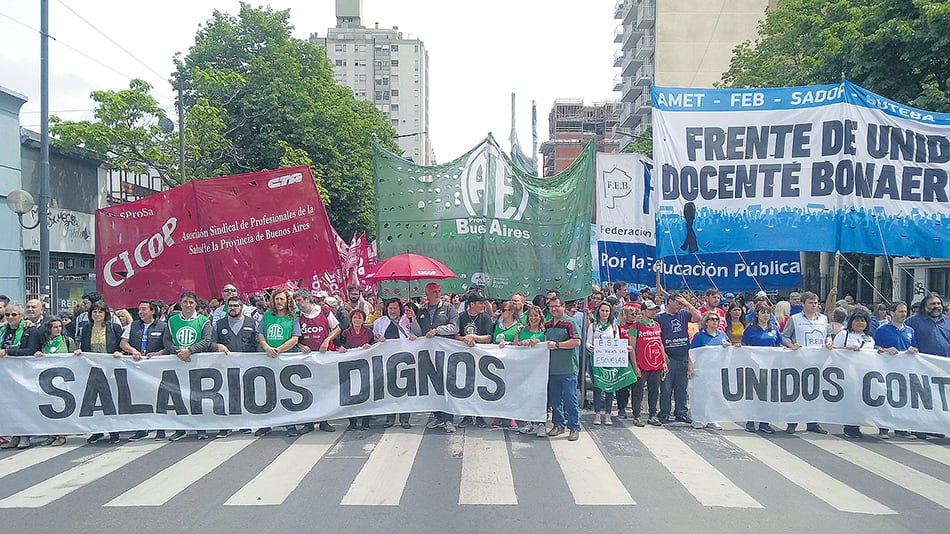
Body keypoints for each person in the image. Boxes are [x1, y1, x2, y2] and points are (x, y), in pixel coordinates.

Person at [163, 291, 213, 441]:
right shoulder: (172, 320)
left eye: (191, 302)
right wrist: (178, 352)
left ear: (195, 304)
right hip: (178, 363)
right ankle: (181, 428)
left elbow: (207, 340)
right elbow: (167, 341)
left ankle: (200, 428)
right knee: (178, 397)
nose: (188, 305)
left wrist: (190, 351)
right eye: (185, 302)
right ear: (180, 303)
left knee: (197, 396)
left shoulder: (204, 321)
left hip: (196, 363)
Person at [781, 291, 832, 434]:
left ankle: (813, 422)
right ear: (803, 304)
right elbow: (785, 337)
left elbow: (827, 336)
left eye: (816, 303)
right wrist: (791, 345)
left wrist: (829, 342)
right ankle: (792, 422)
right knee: (796, 392)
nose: (814, 305)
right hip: (799, 361)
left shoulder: (823, 319)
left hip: (818, 362)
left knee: (814, 393)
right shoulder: (795, 319)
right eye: (810, 302)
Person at [117, 300, 169, 440]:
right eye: (139, 309)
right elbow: (123, 343)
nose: (140, 312)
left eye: (144, 309)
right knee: (139, 397)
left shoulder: (163, 326)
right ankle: (141, 428)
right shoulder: (133, 326)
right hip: (137, 367)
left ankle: (160, 428)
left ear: (152, 311)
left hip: (156, 367)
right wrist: (133, 351)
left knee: (158, 398)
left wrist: (158, 354)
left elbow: (168, 346)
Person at [255, 289, 302, 437]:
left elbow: (295, 338)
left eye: (282, 299)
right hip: (268, 359)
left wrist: (278, 350)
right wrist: (267, 347)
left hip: (286, 359)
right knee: (268, 392)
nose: (279, 302)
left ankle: (290, 424)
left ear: (287, 301)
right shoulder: (267, 315)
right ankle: (266, 424)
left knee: (286, 392)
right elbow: (260, 334)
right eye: (277, 299)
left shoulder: (293, 316)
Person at [78, 302, 125, 444]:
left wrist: (120, 352)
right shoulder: (86, 329)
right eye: (94, 312)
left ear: (105, 314)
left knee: (110, 400)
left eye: (100, 312)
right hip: (93, 369)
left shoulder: (114, 328)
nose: (97, 315)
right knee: (94, 401)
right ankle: (97, 430)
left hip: (110, 369)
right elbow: (84, 347)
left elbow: (122, 344)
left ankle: (114, 431)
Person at [294, 289, 340, 433]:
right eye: (296, 301)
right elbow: (293, 336)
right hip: (306, 358)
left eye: (299, 300)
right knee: (307, 389)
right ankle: (308, 422)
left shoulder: (324, 311)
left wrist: (327, 340)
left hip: (323, 357)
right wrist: (300, 345)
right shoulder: (297, 316)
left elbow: (337, 328)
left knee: (323, 388)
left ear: (307, 299)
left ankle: (324, 421)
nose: (297, 303)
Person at [0, 302, 43, 449]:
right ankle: (14, 434)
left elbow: (31, 350)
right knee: (10, 406)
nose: (10, 317)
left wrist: (7, 352)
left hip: (24, 374)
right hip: (6, 376)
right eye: (8, 315)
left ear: (21, 316)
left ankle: (25, 435)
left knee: (24, 405)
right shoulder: (2, 330)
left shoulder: (29, 330)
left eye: (14, 314)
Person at [418, 282, 460, 433]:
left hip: (445, 353)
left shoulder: (448, 308)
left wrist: (437, 330)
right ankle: (437, 415)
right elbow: (418, 331)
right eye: (434, 291)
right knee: (433, 385)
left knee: (446, 384)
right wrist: (411, 319)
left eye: (439, 291)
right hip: (428, 353)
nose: (438, 293)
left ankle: (448, 419)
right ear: (427, 294)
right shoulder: (422, 310)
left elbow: (455, 327)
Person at [655, 291, 702, 424]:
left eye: (681, 304)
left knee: (681, 388)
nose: (680, 306)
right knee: (666, 387)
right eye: (678, 303)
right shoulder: (660, 317)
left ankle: (681, 412)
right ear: (670, 301)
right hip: (669, 357)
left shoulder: (684, 314)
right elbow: (657, 337)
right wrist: (662, 355)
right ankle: (664, 412)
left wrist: (688, 304)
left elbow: (699, 318)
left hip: (683, 355)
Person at [873, 301, 918, 439]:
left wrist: (913, 350)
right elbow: (874, 348)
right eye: (900, 311)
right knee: (886, 398)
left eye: (905, 312)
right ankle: (883, 428)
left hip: (904, 371)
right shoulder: (882, 330)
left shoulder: (910, 331)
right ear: (892, 313)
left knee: (903, 399)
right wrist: (886, 350)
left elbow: (916, 348)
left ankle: (902, 428)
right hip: (886, 370)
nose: (904, 314)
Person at [832, 306, 875, 439]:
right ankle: (849, 427)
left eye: (863, 320)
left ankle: (856, 425)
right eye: (857, 320)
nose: (860, 323)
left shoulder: (869, 338)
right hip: (847, 372)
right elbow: (833, 351)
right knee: (850, 400)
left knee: (860, 401)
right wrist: (846, 349)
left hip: (864, 374)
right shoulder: (844, 335)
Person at [33, 317, 77, 446]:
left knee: (62, 406)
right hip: (47, 380)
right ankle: (51, 434)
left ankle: (62, 434)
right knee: (49, 406)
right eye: (55, 327)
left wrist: (77, 353)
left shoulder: (68, 341)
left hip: (63, 379)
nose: (58, 329)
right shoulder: (44, 342)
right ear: (49, 329)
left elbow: (75, 356)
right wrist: (38, 354)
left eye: (60, 327)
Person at [543, 297, 582, 441]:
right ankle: (558, 424)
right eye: (551, 307)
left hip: (568, 368)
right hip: (552, 368)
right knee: (555, 399)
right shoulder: (547, 325)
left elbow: (576, 341)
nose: (553, 309)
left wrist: (557, 345)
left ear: (563, 306)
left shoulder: (570, 322)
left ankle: (574, 426)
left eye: (556, 306)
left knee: (570, 399)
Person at [740, 302, 781, 434]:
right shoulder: (750, 329)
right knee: (753, 395)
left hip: (770, 367)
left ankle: (764, 422)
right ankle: (750, 422)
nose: (765, 315)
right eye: (763, 312)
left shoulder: (774, 328)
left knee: (767, 396)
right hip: (754, 367)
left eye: (768, 313)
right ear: (757, 314)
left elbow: (779, 343)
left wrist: (791, 346)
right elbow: (744, 345)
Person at [373, 298, 414, 428]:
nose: (392, 311)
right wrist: (379, 339)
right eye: (390, 308)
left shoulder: (407, 320)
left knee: (405, 390)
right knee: (389, 389)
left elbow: (417, 332)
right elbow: (374, 337)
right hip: (387, 361)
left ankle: (405, 419)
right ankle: (390, 418)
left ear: (399, 309)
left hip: (405, 360)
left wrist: (413, 322)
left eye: (395, 308)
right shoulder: (379, 322)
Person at [456, 294, 494, 428]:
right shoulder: (460, 317)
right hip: (464, 358)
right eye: (480, 303)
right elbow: (455, 335)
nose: (483, 305)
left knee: (479, 385)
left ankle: (479, 415)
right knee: (466, 386)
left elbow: (489, 337)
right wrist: (464, 339)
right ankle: (466, 415)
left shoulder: (485, 318)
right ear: (472, 304)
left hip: (480, 357)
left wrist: (473, 337)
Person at [688, 311, 730, 430]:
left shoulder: (722, 335)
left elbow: (730, 350)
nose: (715, 321)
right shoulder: (699, 336)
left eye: (717, 319)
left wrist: (729, 346)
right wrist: (690, 368)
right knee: (701, 395)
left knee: (715, 395)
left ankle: (712, 419)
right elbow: (692, 353)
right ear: (706, 322)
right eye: (712, 319)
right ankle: (698, 419)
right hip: (702, 370)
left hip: (717, 370)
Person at [628, 300, 667, 427]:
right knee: (638, 391)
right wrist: (635, 366)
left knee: (654, 390)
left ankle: (652, 415)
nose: (653, 312)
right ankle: (637, 415)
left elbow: (659, 342)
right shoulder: (636, 327)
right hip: (642, 364)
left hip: (656, 364)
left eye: (654, 309)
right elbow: (632, 348)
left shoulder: (657, 325)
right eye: (650, 309)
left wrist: (663, 361)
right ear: (643, 311)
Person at [337, 308, 375, 430]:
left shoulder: (369, 332)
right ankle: (352, 422)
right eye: (354, 317)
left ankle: (365, 421)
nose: (357, 320)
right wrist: (341, 349)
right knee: (351, 395)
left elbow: (375, 346)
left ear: (364, 320)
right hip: (350, 367)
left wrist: (371, 346)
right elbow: (339, 345)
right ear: (351, 320)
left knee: (365, 394)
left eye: (359, 317)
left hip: (365, 367)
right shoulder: (345, 333)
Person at [515, 305, 548, 437]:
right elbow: (515, 345)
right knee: (526, 395)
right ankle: (529, 422)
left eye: (536, 315)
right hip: (524, 369)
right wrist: (520, 339)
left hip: (538, 370)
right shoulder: (522, 330)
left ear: (540, 317)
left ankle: (541, 424)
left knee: (539, 395)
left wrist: (537, 342)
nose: (533, 318)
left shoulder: (544, 332)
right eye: (531, 316)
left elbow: (546, 346)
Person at [586, 302, 619, 425]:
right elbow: (588, 342)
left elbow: (617, 342)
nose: (604, 313)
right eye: (602, 310)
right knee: (598, 387)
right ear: (598, 311)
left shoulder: (614, 327)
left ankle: (608, 414)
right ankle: (597, 414)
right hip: (596, 360)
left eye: (607, 311)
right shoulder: (593, 326)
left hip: (609, 360)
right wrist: (591, 347)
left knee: (609, 387)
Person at [613, 305, 639, 418]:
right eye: (632, 314)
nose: (634, 316)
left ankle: (635, 406)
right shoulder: (618, 327)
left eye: (635, 314)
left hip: (635, 357)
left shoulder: (637, 326)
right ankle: (621, 407)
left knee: (635, 384)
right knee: (622, 386)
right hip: (622, 359)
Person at [906, 292, 950, 358]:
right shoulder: (912, 321)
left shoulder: (948, 321)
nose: (936, 306)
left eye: (939, 303)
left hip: (945, 364)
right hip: (922, 364)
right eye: (933, 304)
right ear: (924, 306)